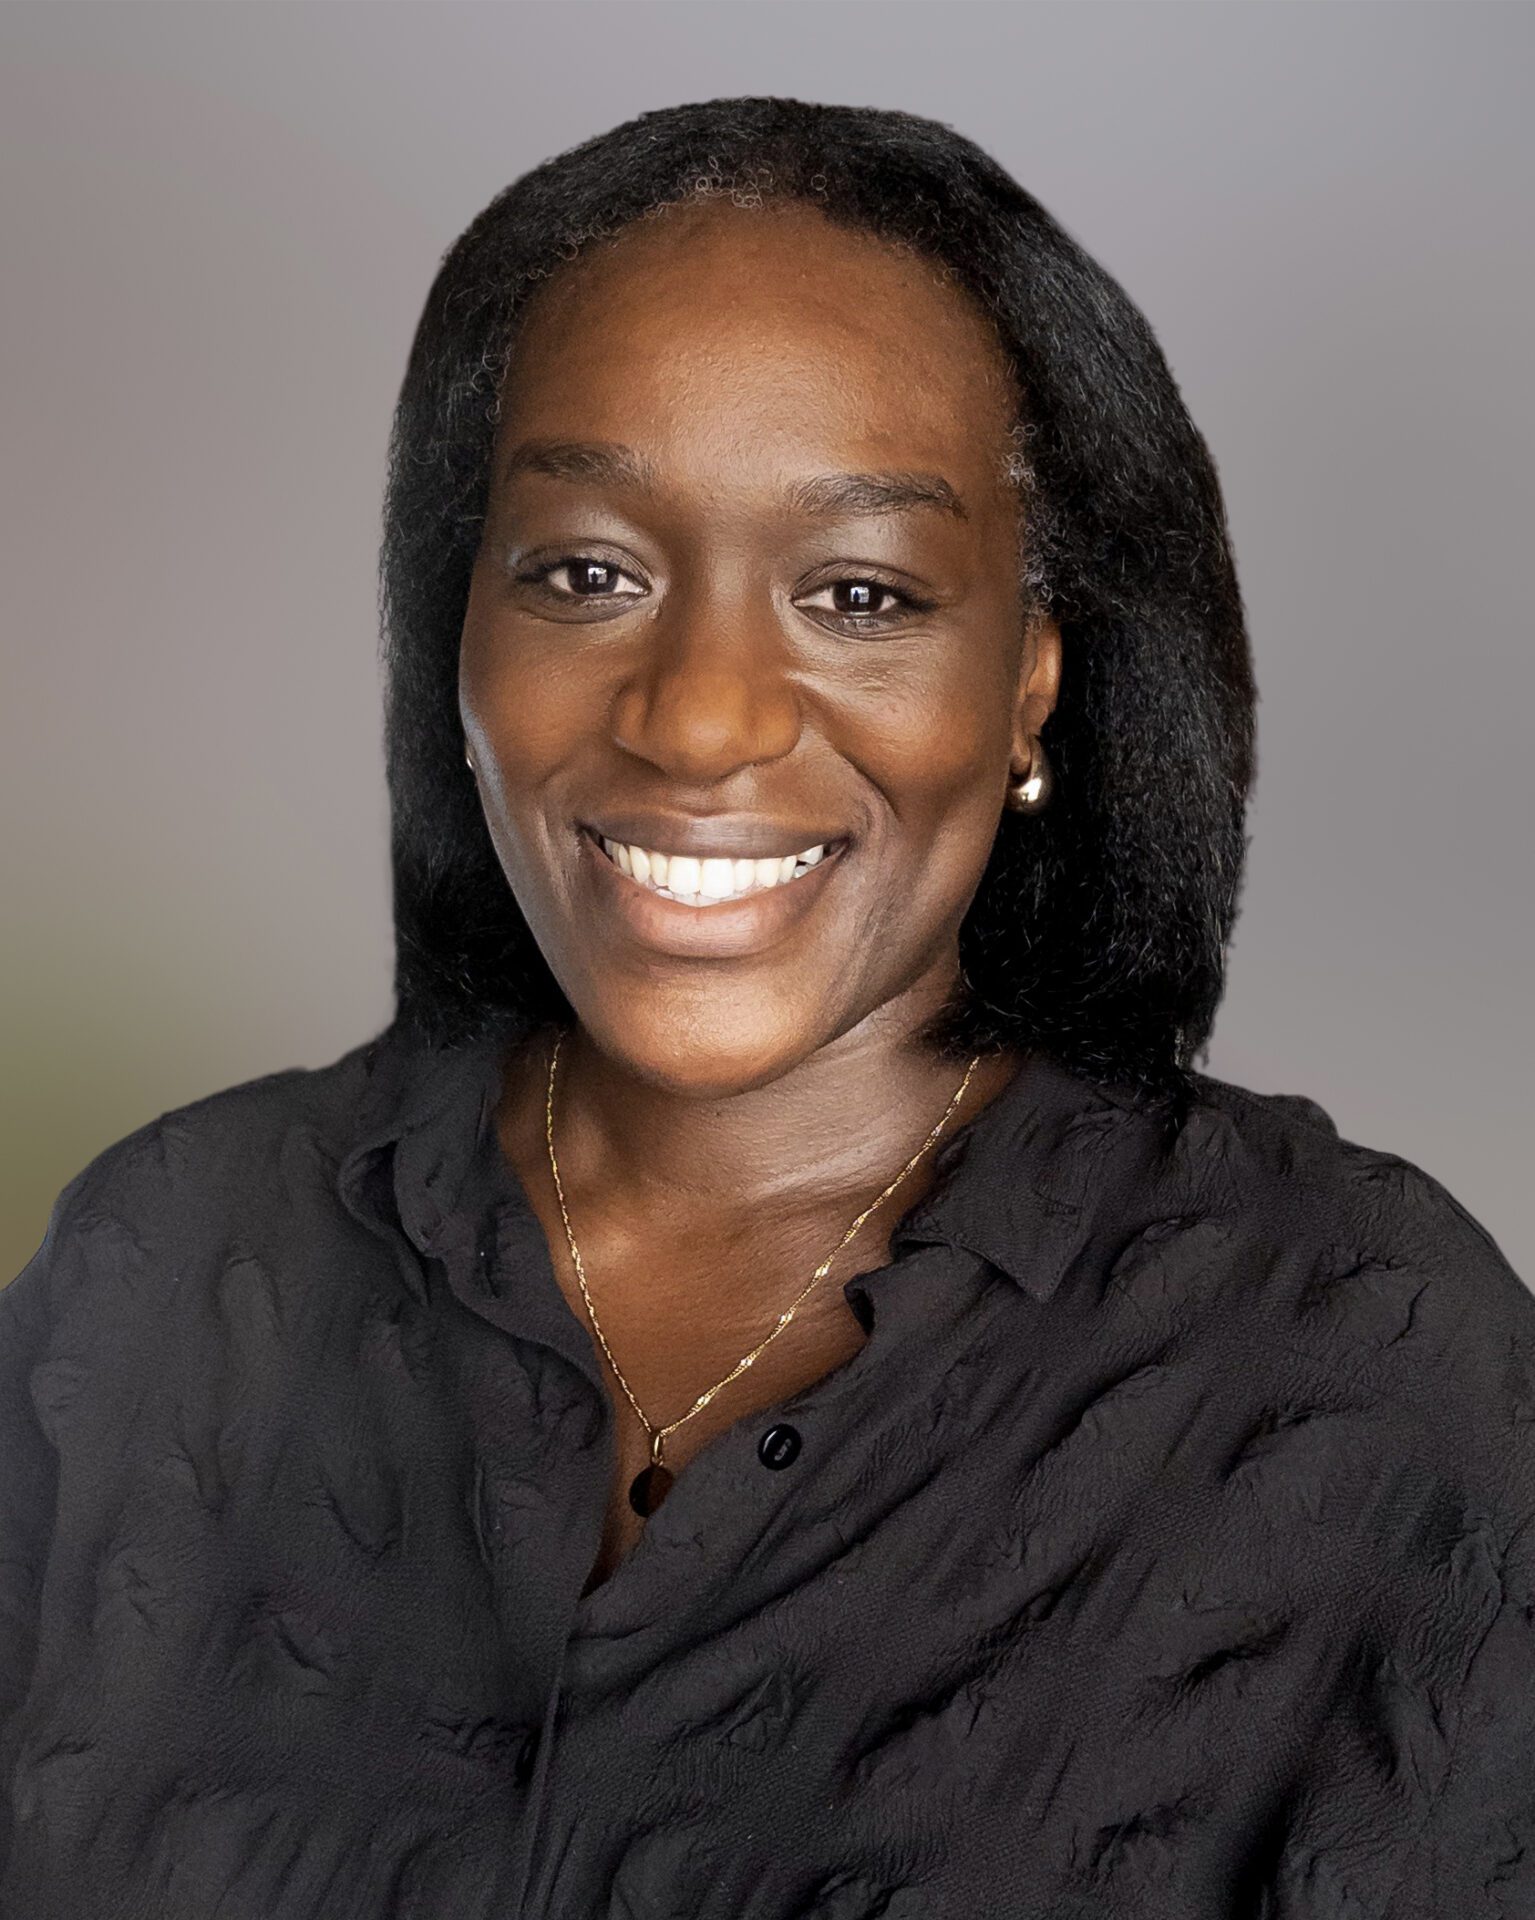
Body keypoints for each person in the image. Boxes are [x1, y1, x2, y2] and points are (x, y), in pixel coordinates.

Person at [2, 95, 1530, 1920]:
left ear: (1029, 688)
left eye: (860, 593)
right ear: (458, 628)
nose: (700, 717)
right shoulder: (165, 1259)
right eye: (587, 572)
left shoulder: (1359, 1370)